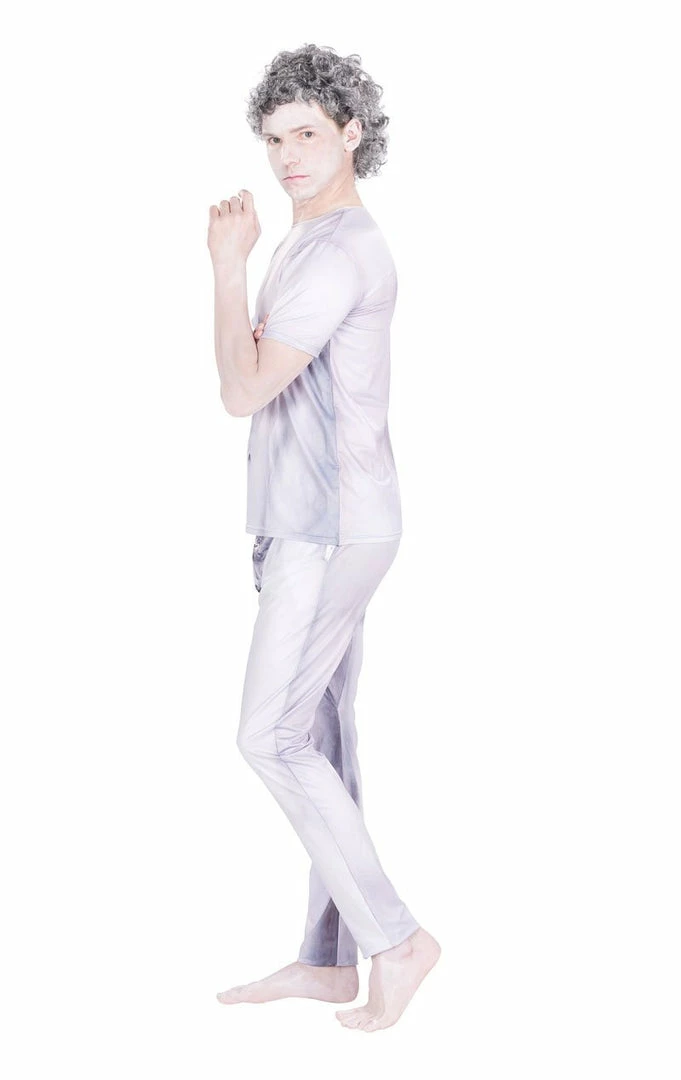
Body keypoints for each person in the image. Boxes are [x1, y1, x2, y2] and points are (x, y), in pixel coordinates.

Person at [207, 43, 440, 1032]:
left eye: (306, 134)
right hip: (310, 523)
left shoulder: (338, 250)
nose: (287, 156)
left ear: (352, 133)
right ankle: (327, 959)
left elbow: (243, 388)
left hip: (328, 529)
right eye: (273, 139)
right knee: (318, 737)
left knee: (268, 735)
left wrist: (226, 268)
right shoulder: (313, 241)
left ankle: (397, 940)